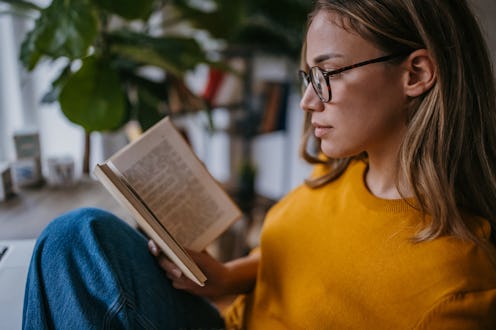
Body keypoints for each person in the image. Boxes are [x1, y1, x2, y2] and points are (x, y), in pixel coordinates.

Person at [23, 0, 496, 329]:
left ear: (415, 73)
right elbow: (307, 258)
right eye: (309, 76)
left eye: (328, 74)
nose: (309, 100)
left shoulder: (454, 290)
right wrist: (226, 277)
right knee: (78, 236)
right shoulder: (343, 169)